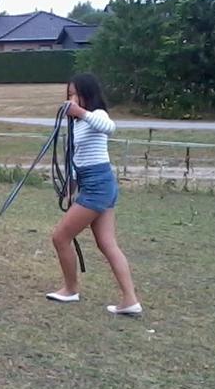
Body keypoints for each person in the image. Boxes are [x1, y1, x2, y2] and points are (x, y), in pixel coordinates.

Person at [45, 73, 142, 316]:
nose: (71, 99)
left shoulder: (97, 115)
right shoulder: (77, 125)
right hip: (93, 184)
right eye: (68, 95)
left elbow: (110, 128)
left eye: (75, 94)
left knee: (60, 237)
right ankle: (130, 301)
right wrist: (71, 187)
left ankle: (70, 289)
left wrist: (81, 113)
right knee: (107, 244)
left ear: (87, 94)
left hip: (99, 185)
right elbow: (78, 158)